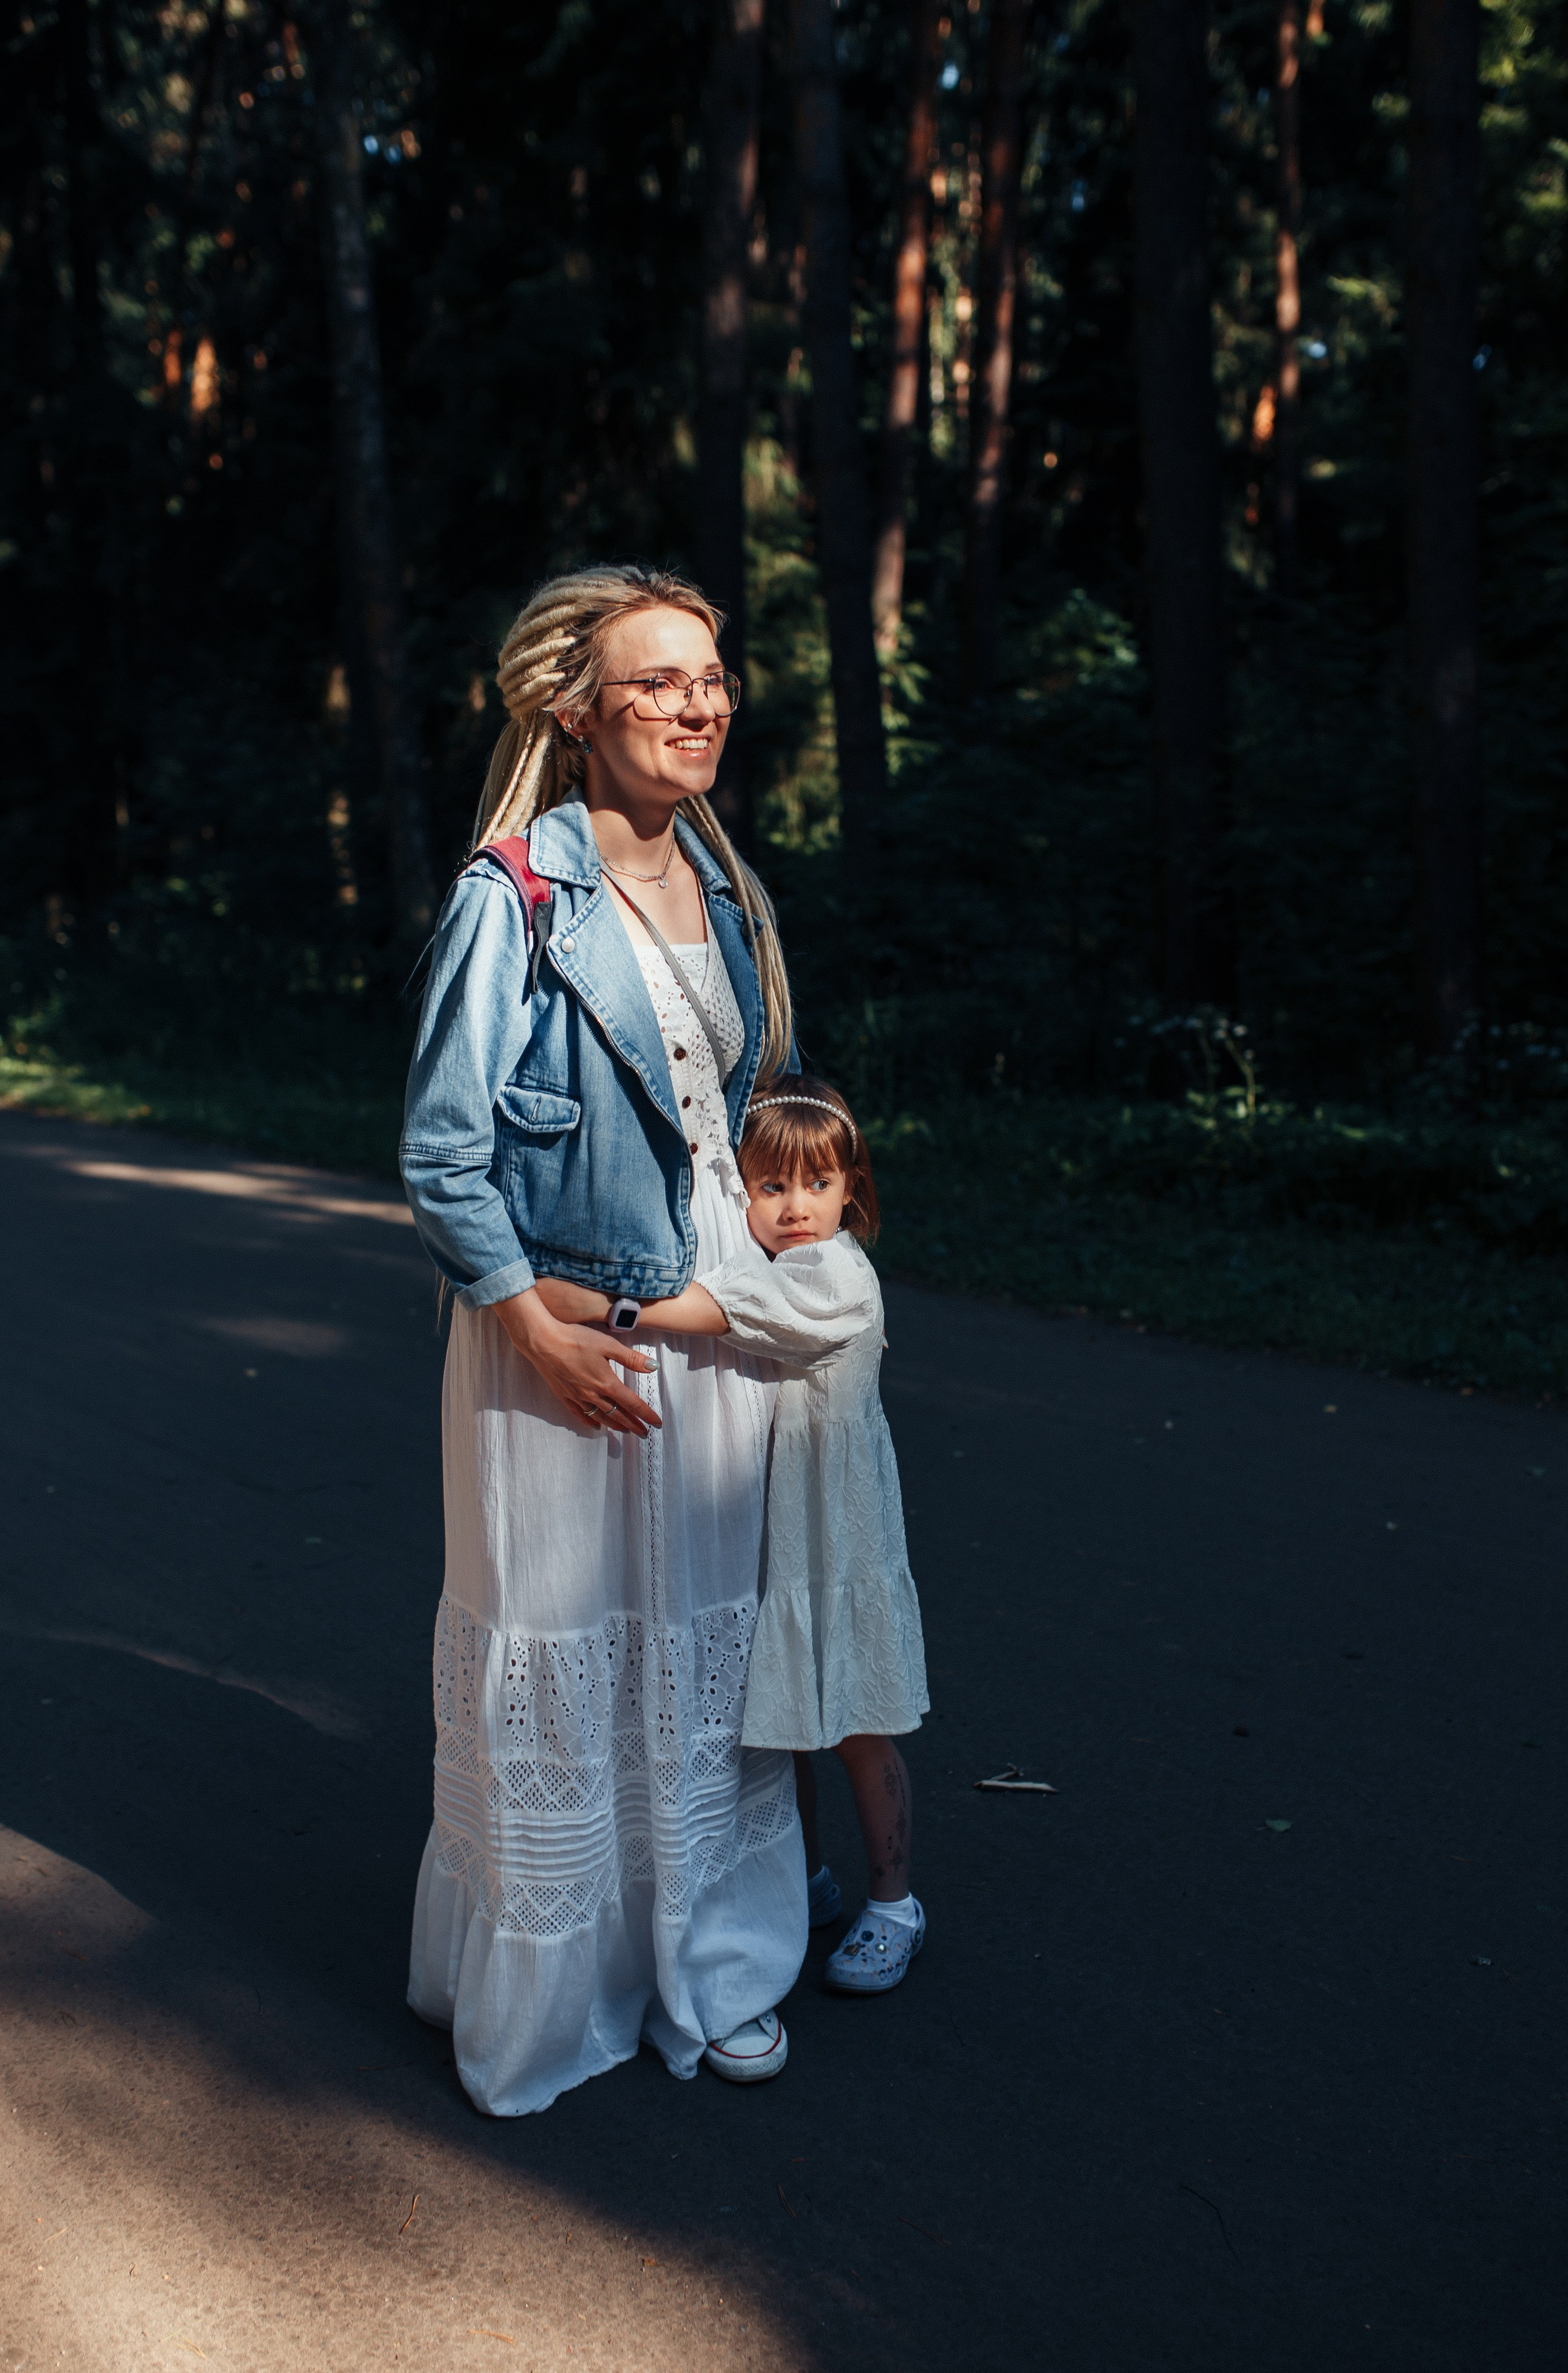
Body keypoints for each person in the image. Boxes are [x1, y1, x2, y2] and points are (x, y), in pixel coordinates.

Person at [400, 565, 807, 2113]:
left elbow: (757, 1122)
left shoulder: (735, 887)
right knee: (566, 1637)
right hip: (553, 1316)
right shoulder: (512, 893)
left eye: (712, 676)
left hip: (716, 1312)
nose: (699, 703)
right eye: (661, 681)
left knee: (701, 1632)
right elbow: (443, 1154)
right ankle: (558, 1979)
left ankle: (712, 1960)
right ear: (577, 709)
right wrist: (530, 1333)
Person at [536, 1074, 930, 1994]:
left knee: (855, 1725)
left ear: (851, 1191)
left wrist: (585, 1304)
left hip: (835, 1535)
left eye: (819, 1184)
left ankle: (896, 1903)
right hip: (779, 1528)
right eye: (771, 1187)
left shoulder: (831, 1277)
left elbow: (699, 1313)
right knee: (780, 1720)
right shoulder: (777, 1263)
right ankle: (802, 1876)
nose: (796, 1208)